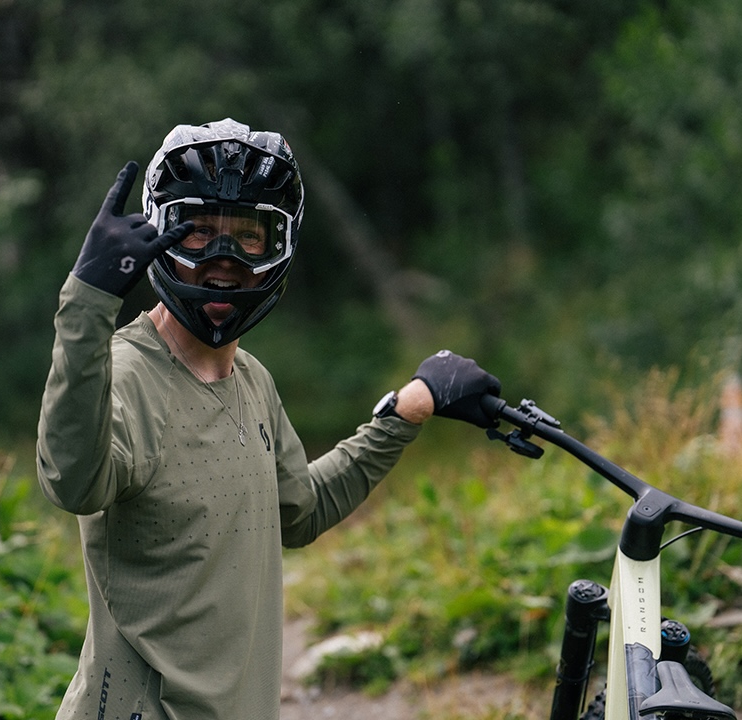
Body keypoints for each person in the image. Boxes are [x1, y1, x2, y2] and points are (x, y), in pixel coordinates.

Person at [36, 118, 501, 719]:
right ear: (158, 231)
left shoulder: (251, 379)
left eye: (248, 236)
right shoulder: (126, 376)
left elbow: (297, 511)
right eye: (198, 230)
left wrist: (406, 410)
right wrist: (88, 299)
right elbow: (71, 481)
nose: (223, 259)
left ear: (278, 244)